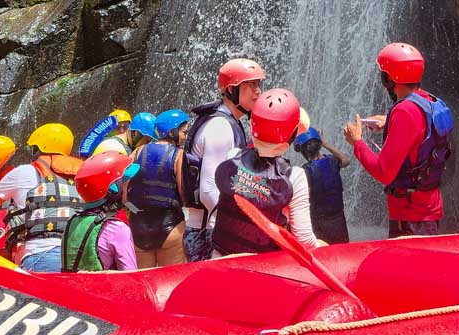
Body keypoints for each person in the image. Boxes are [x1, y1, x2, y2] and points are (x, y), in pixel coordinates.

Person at [344, 42, 453, 238]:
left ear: (388, 78)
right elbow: (423, 133)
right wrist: (388, 123)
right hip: (429, 207)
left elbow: (384, 172)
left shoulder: (404, 111)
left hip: (410, 215)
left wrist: (357, 142)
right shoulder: (429, 101)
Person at [211, 88, 319, 258]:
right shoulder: (295, 177)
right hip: (262, 269)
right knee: (322, 245)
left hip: (220, 258)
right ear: (291, 136)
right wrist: (320, 245)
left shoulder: (233, 156)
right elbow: (304, 240)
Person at [179, 58, 265, 262]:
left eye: (258, 84)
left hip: (210, 227)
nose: (258, 91)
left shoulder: (227, 122)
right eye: (251, 84)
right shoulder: (221, 126)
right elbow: (209, 191)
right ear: (232, 90)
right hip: (210, 231)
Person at [0, 122, 82, 273]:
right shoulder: (80, 178)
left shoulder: (25, 172)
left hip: (39, 256)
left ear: (36, 149)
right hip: (79, 258)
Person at [125, 108, 189, 269]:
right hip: (169, 226)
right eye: (184, 132)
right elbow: (184, 193)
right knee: (172, 282)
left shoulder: (136, 152)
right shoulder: (179, 155)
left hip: (138, 226)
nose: (185, 137)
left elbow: (124, 191)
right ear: (172, 131)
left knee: (144, 283)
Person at [62, 151, 137, 272]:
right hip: (104, 290)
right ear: (114, 189)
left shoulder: (72, 222)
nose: (129, 186)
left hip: (74, 289)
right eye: (125, 182)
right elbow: (130, 277)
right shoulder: (117, 229)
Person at [293, 126, 350, 243]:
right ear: (319, 145)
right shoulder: (333, 161)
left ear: (303, 151)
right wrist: (326, 143)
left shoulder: (306, 171)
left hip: (319, 224)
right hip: (339, 221)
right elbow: (346, 160)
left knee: (323, 255)